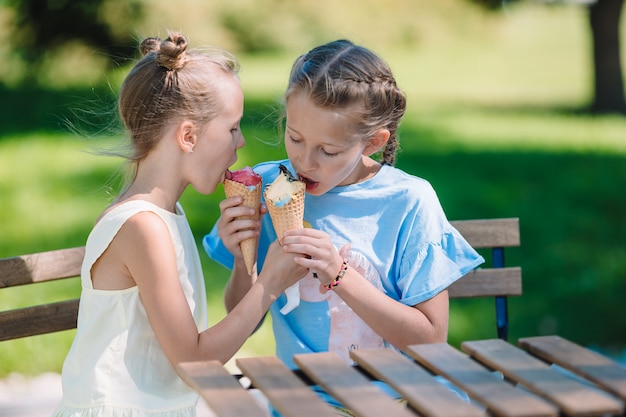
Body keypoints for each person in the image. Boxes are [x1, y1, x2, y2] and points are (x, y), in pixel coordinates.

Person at [203, 39, 484, 414]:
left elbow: (431, 340)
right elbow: (244, 323)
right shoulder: (267, 188)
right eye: (295, 137)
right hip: (305, 399)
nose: (304, 161)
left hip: (407, 396)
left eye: (329, 151)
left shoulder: (409, 202)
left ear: (373, 142)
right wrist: (243, 259)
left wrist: (339, 274)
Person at [52, 32, 306, 417]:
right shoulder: (143, 226)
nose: (240, 144)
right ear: (188, 136)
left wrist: (244, 261)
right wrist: (270, 284)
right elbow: (195, 364)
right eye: (233, 128)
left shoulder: (166, 214)